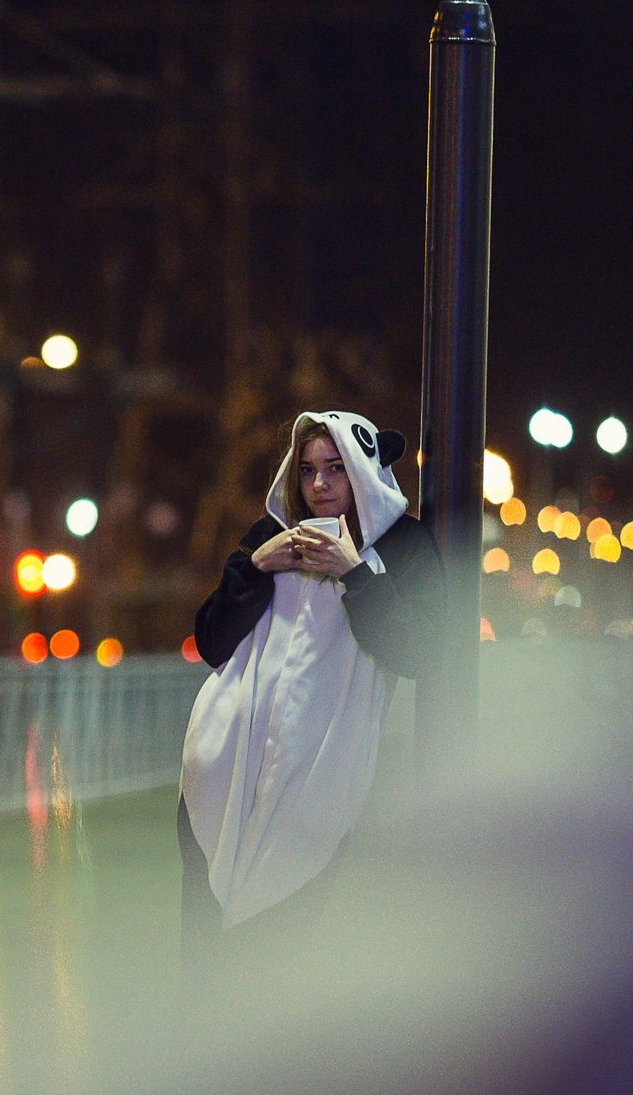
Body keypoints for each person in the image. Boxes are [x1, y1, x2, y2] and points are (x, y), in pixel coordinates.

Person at [177, 409, 443, 959]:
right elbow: (210, 642)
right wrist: (255, 566)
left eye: (336, 468)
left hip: (323, 777)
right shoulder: (271, 537)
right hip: (224, 772)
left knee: (284, 947)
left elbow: (421, 652)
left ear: (364, 471)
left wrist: (355, 574)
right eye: (306, 470)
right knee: (205, 948)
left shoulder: (405, 546)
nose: (319, 484)